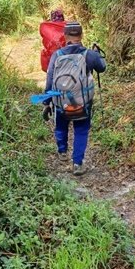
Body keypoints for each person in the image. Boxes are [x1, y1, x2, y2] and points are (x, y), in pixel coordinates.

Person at [43, 21, 106, 176]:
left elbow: (50, 79)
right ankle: (77, 164)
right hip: (82, 103)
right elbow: (102, 67)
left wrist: (46, 102)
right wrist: (97, 55)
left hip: (61, 102)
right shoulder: (88, 54)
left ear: (65, 36)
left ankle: (62, 151)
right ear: (81, 35)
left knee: (61, 125)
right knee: (81, 130)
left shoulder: (56, 55)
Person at [39, 8, 66, 72]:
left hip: (51, 59)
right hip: (67, 57)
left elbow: (43, 37)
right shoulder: (69, 25)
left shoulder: (45, 26)